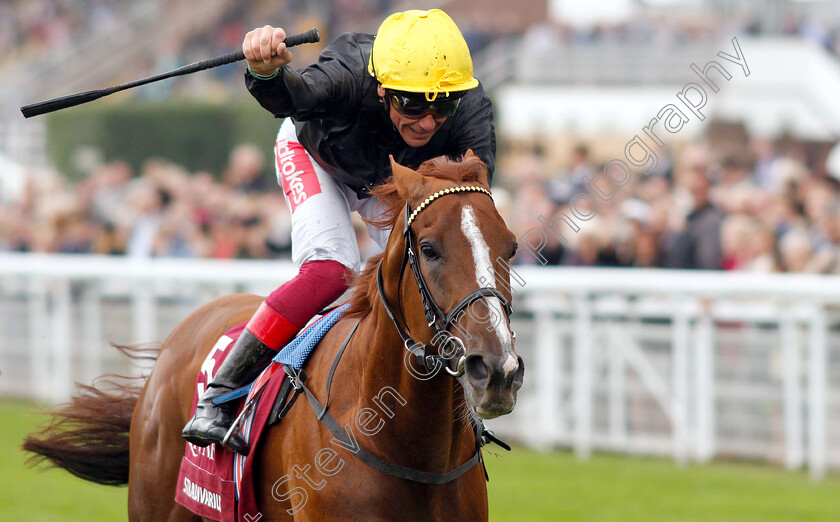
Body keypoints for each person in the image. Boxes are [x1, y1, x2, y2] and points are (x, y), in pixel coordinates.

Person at [182, 9, 496, 454]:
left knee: (427, 271)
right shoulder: (350, 68)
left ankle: (455, 403)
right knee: (332, 271)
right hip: (316, 157)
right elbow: (297, 94)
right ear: (382, 89)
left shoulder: (470, 106)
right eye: (411, 104)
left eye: (441, 106)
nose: (427, 122)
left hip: (386, 181)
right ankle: (222, 392)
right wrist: (266, 71)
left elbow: (474, 202)